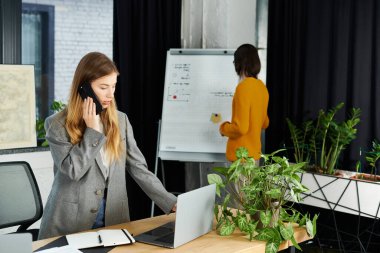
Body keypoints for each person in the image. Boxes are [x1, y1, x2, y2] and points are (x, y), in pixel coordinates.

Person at [38, 52, 176, 239]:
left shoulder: (120, 120)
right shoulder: (57, 124)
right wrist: (92, 131)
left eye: (113, 86)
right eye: (103, 87)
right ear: (83, 87)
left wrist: (170, 202)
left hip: (114, 218)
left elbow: (138, 168)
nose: (110, 94)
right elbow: (73, 171)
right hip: (70, 223)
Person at [219, 44, 269, 162]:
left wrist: (223, 128)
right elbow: (265, 123)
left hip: (241, 157)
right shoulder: (262, 87)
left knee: (241, 182)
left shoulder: (243, 88)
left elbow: (241, 128)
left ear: (238, 63)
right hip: (254, 155)